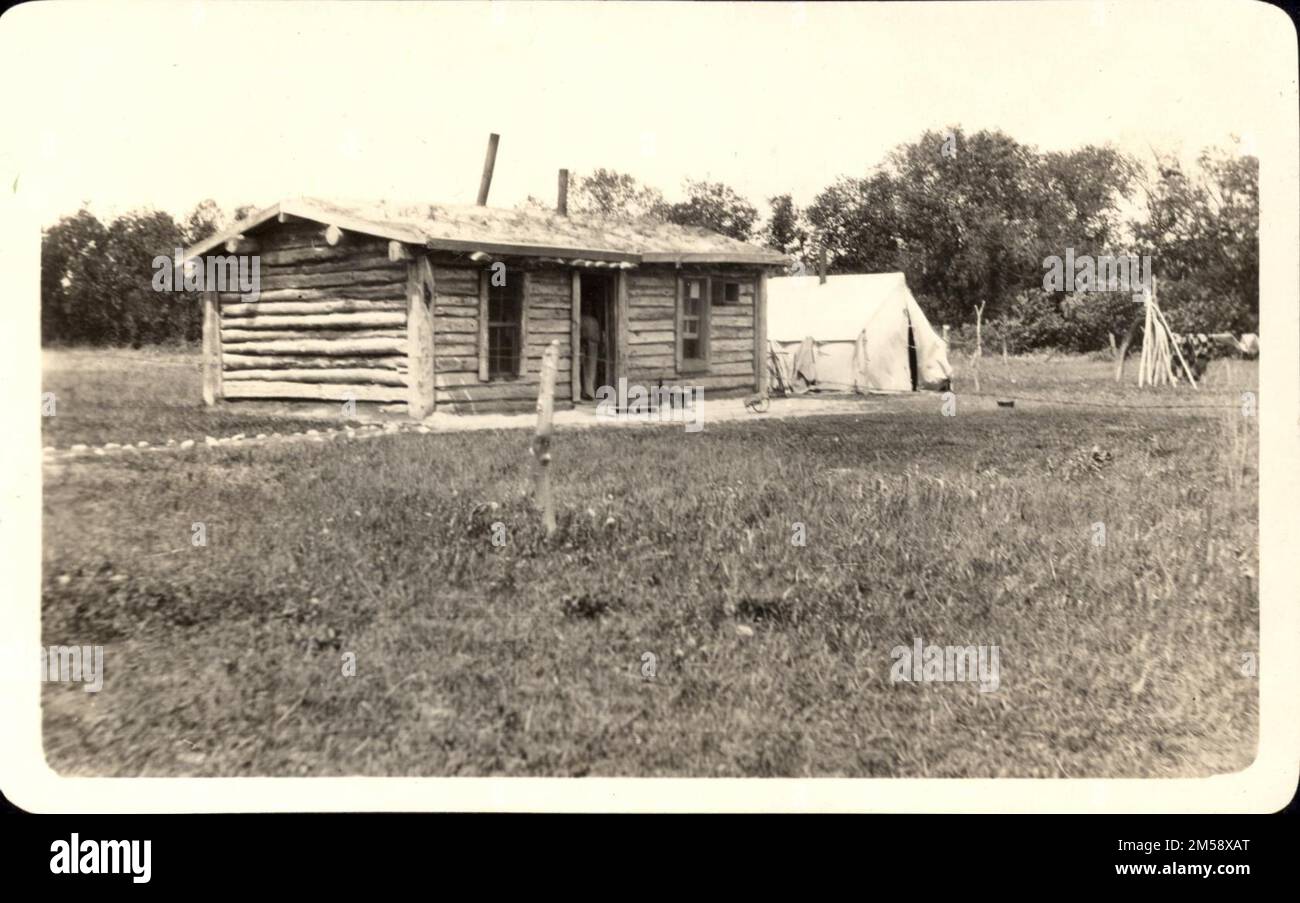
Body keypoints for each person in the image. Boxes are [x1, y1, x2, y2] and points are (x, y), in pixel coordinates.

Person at [581, 312, 602, 400]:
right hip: (589, 344)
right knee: (590, 369)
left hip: (589, 345)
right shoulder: (592, 320)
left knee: (589, 368)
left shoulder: (585, 319)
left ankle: (588, 392)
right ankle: (588, 391)